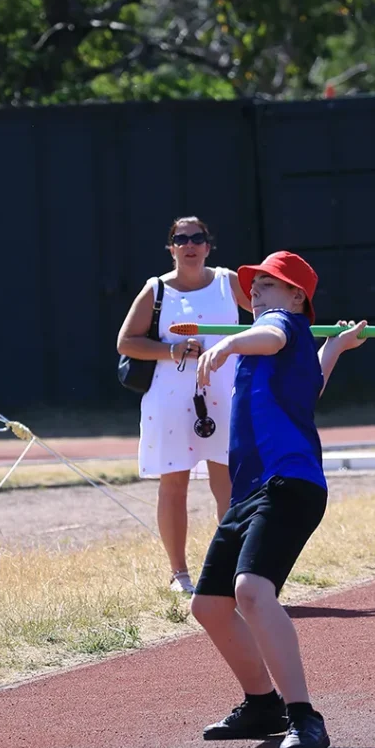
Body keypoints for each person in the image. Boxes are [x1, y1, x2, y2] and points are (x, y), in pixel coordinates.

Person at [190, 251, 367, 748]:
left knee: (250, 590)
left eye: (269, 285)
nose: (257, 295)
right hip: (252, 491)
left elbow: (271, 332)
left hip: (288, 484)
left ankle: (304, 716)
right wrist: (334, 347)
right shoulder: (286, 354)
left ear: (297, 298)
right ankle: (261, 704)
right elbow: (308, 385)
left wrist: (227, 343)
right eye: (256, 286)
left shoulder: (276, 326)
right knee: (209, 605)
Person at [117, 217, 251, 594]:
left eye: (197, 238)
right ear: (171, 247)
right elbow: (126, 342)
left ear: (208, 245)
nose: (190, 244)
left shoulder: (229, 282)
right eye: (181, 238)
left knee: (228, 482)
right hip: (172, 397)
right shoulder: (156, 289)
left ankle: (231, 572)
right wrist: (170, 350)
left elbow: (267, 316)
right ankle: (179, 574)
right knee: (173, 484)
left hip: (224, 394)